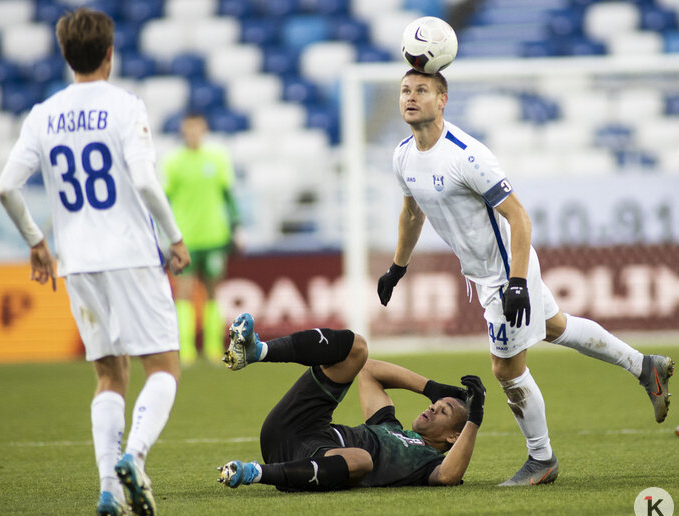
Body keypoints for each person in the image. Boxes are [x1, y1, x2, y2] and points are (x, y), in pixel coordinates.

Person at [377, 68, 675, 486]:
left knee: (505, 369)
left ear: (442, 99)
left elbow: (518, 216)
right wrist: (398, 266)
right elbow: (412, 212)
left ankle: (542, 459)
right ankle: (645, 366)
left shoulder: (466, 154)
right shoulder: (403, 155)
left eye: (422, 90)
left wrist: (516, 281)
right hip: (485, 275)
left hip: (505, 274)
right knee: (555, 326)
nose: (410, 97)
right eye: (405, 90)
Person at [0, 8, 190, 516]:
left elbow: (6, 187)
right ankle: (137, 457)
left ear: (65, 55)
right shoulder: (125, 106)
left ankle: (108, 488)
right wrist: (174, 236)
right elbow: (146, 182)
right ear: (110, 54)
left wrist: (37, 242)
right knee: (164, 368)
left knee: (109, 376)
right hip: (129, 255)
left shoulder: (43, 113)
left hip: (77, 262)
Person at [215, 313, 485, 491]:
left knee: (361, 459)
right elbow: (369, 370)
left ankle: (256, 473)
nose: (433, 407)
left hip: (308, 460)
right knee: (356, 348)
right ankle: (259, 351)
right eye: (437, 404)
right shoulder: (389, 424)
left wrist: (474, 419)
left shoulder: (427, 464)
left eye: (444, 411)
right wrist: (431, 388)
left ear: (453, 436)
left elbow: (449, 476)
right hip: (291, 427)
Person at [161, 112, 240, 365]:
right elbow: (164, 200)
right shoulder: (172, 162)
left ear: (203, 129)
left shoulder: (217, 158)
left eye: (197, 128)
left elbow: (228, 195)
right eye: (188, 129)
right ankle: (185, 349)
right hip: (184, 239)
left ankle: (213, 347)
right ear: (183, 131)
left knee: (213, 291)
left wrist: (236, 225)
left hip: (215, 236)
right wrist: (165, 233)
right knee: (183, 292)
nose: (193, 133)